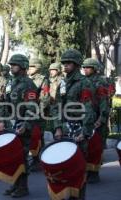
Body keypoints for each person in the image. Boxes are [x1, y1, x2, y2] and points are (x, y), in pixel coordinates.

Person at [52, 49, 96, 199]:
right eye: (64, 63)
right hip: (64, 128)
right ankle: (67, 193)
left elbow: (88, 109)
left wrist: (84, 131)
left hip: (78, 129)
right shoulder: (63, 83)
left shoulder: (84, 83)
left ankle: (78, 197)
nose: (65, 66)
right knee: (64, 167)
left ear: (76, 64)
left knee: (78, 167)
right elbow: (57, 106)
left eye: (69, 63)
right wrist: (57, 127)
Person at [1, 54, 38, 198]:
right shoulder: (11, 82)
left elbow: (32, 107)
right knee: (12, 157)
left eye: (14, 65)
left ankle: (23, 187)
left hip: (22, 125)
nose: (11, 67)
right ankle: (15, 184)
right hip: (12, 124)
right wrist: (2, 120)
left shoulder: (29, 85)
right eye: (11, 65)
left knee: (21, 157)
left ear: (23, 67)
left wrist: (26, 124)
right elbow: (4, 102)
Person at [82, 58, 109, 184]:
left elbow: (104, 102)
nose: (85, 69)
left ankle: (94, 173)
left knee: (96, 146)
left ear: (94, 69)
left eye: (88, 67)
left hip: (97, 117)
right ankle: (87, 171)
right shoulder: (84, 81)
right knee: (86, 145)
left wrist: (101, 118)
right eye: (84, 67)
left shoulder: (100, 82)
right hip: (86, 117)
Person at [28, 58, 50, 171]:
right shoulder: (27, 79)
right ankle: (35, 157)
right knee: (31, 136)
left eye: (32, 66)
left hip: (38, 113)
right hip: (27, 112)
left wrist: (38, 110)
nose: (29, 68)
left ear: (37, 68)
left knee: (39, 135)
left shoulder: (43, 80)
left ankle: (40, 160)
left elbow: (45, 97)